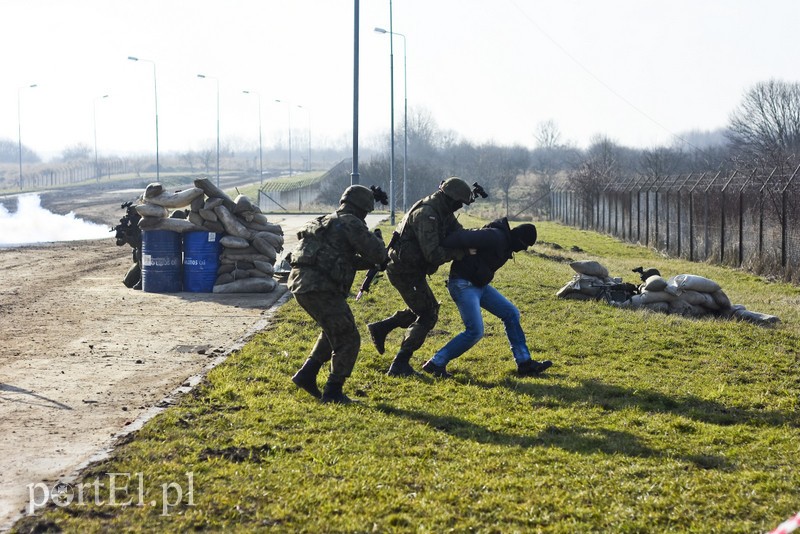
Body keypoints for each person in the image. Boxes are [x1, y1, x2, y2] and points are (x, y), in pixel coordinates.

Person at [288, 185, 388, 403]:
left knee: (333, 329)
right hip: (320, 288)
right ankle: (333, 392)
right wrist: (379, 243)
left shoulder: (326, 220)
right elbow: (379, 254)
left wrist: (370, 262)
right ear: (362, 208)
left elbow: (341, 258)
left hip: (301, 284)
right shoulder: (351, 223)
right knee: (348, 337)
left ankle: (307, 374)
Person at [420, 217, 553, 378]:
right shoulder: (494, 236)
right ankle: (436, 363)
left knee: (511, 313)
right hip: (462, 284)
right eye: (524, 244)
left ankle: (525, 364)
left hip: (479, 286)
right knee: (475, 331)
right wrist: (462, 250)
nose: (523, 249)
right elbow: (460, 237)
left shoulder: (507, 245)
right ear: (518, 237)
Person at [367, 177, 472, 377]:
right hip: (404, 271)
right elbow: (433, 254)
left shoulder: (441, 210)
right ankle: (400, 364)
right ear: (450, 198)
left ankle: (382, 328)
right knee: (428, 313)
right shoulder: (427, 214)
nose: (460, 207)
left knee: (424, 307)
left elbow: (458, 232)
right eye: (459, 203)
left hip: (411, 269)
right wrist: (460, 253)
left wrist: (478, 237)